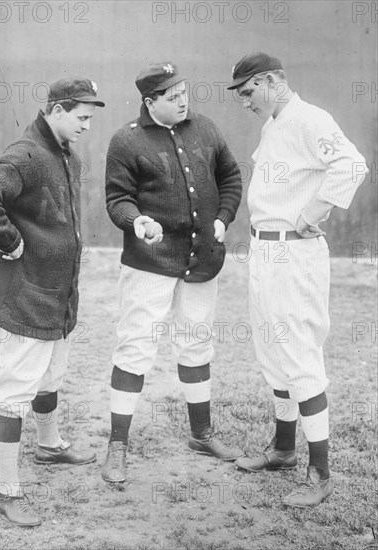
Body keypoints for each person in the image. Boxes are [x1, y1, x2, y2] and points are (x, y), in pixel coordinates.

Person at [0, 77, 105, 526]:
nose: (85, 126)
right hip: (24, 295)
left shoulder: (62, 154)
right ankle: (9, 491)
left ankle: (48, 445)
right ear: (57, 109)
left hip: (56, 294)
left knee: (51, 373)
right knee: (14, 390)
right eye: (81, 117)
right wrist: (8, 239)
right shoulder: (26, 154)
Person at [227, 52, 368, 507]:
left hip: (295, 251)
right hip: (265, 249)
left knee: (300, 355)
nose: (245, 101)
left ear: (272, 81)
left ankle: (320, 472)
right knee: (272, 350)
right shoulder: (276, 122)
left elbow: (352, 163)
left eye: (249, 90)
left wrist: (314, 211)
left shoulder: (310, 119)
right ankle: (285, 449)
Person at [103, 61, 244, 483]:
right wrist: (136, 221)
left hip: (202, 259)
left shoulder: (206, 128)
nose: (184, 100)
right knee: (135, 348)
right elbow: (116, 199)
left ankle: (201, 434)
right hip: (150, 263)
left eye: (185, 91)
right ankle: (118, 446)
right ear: (151, 102)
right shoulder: (126, 141)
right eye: (173, 96)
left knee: (197, 343)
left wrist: (224, 216)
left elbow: (231, 177)